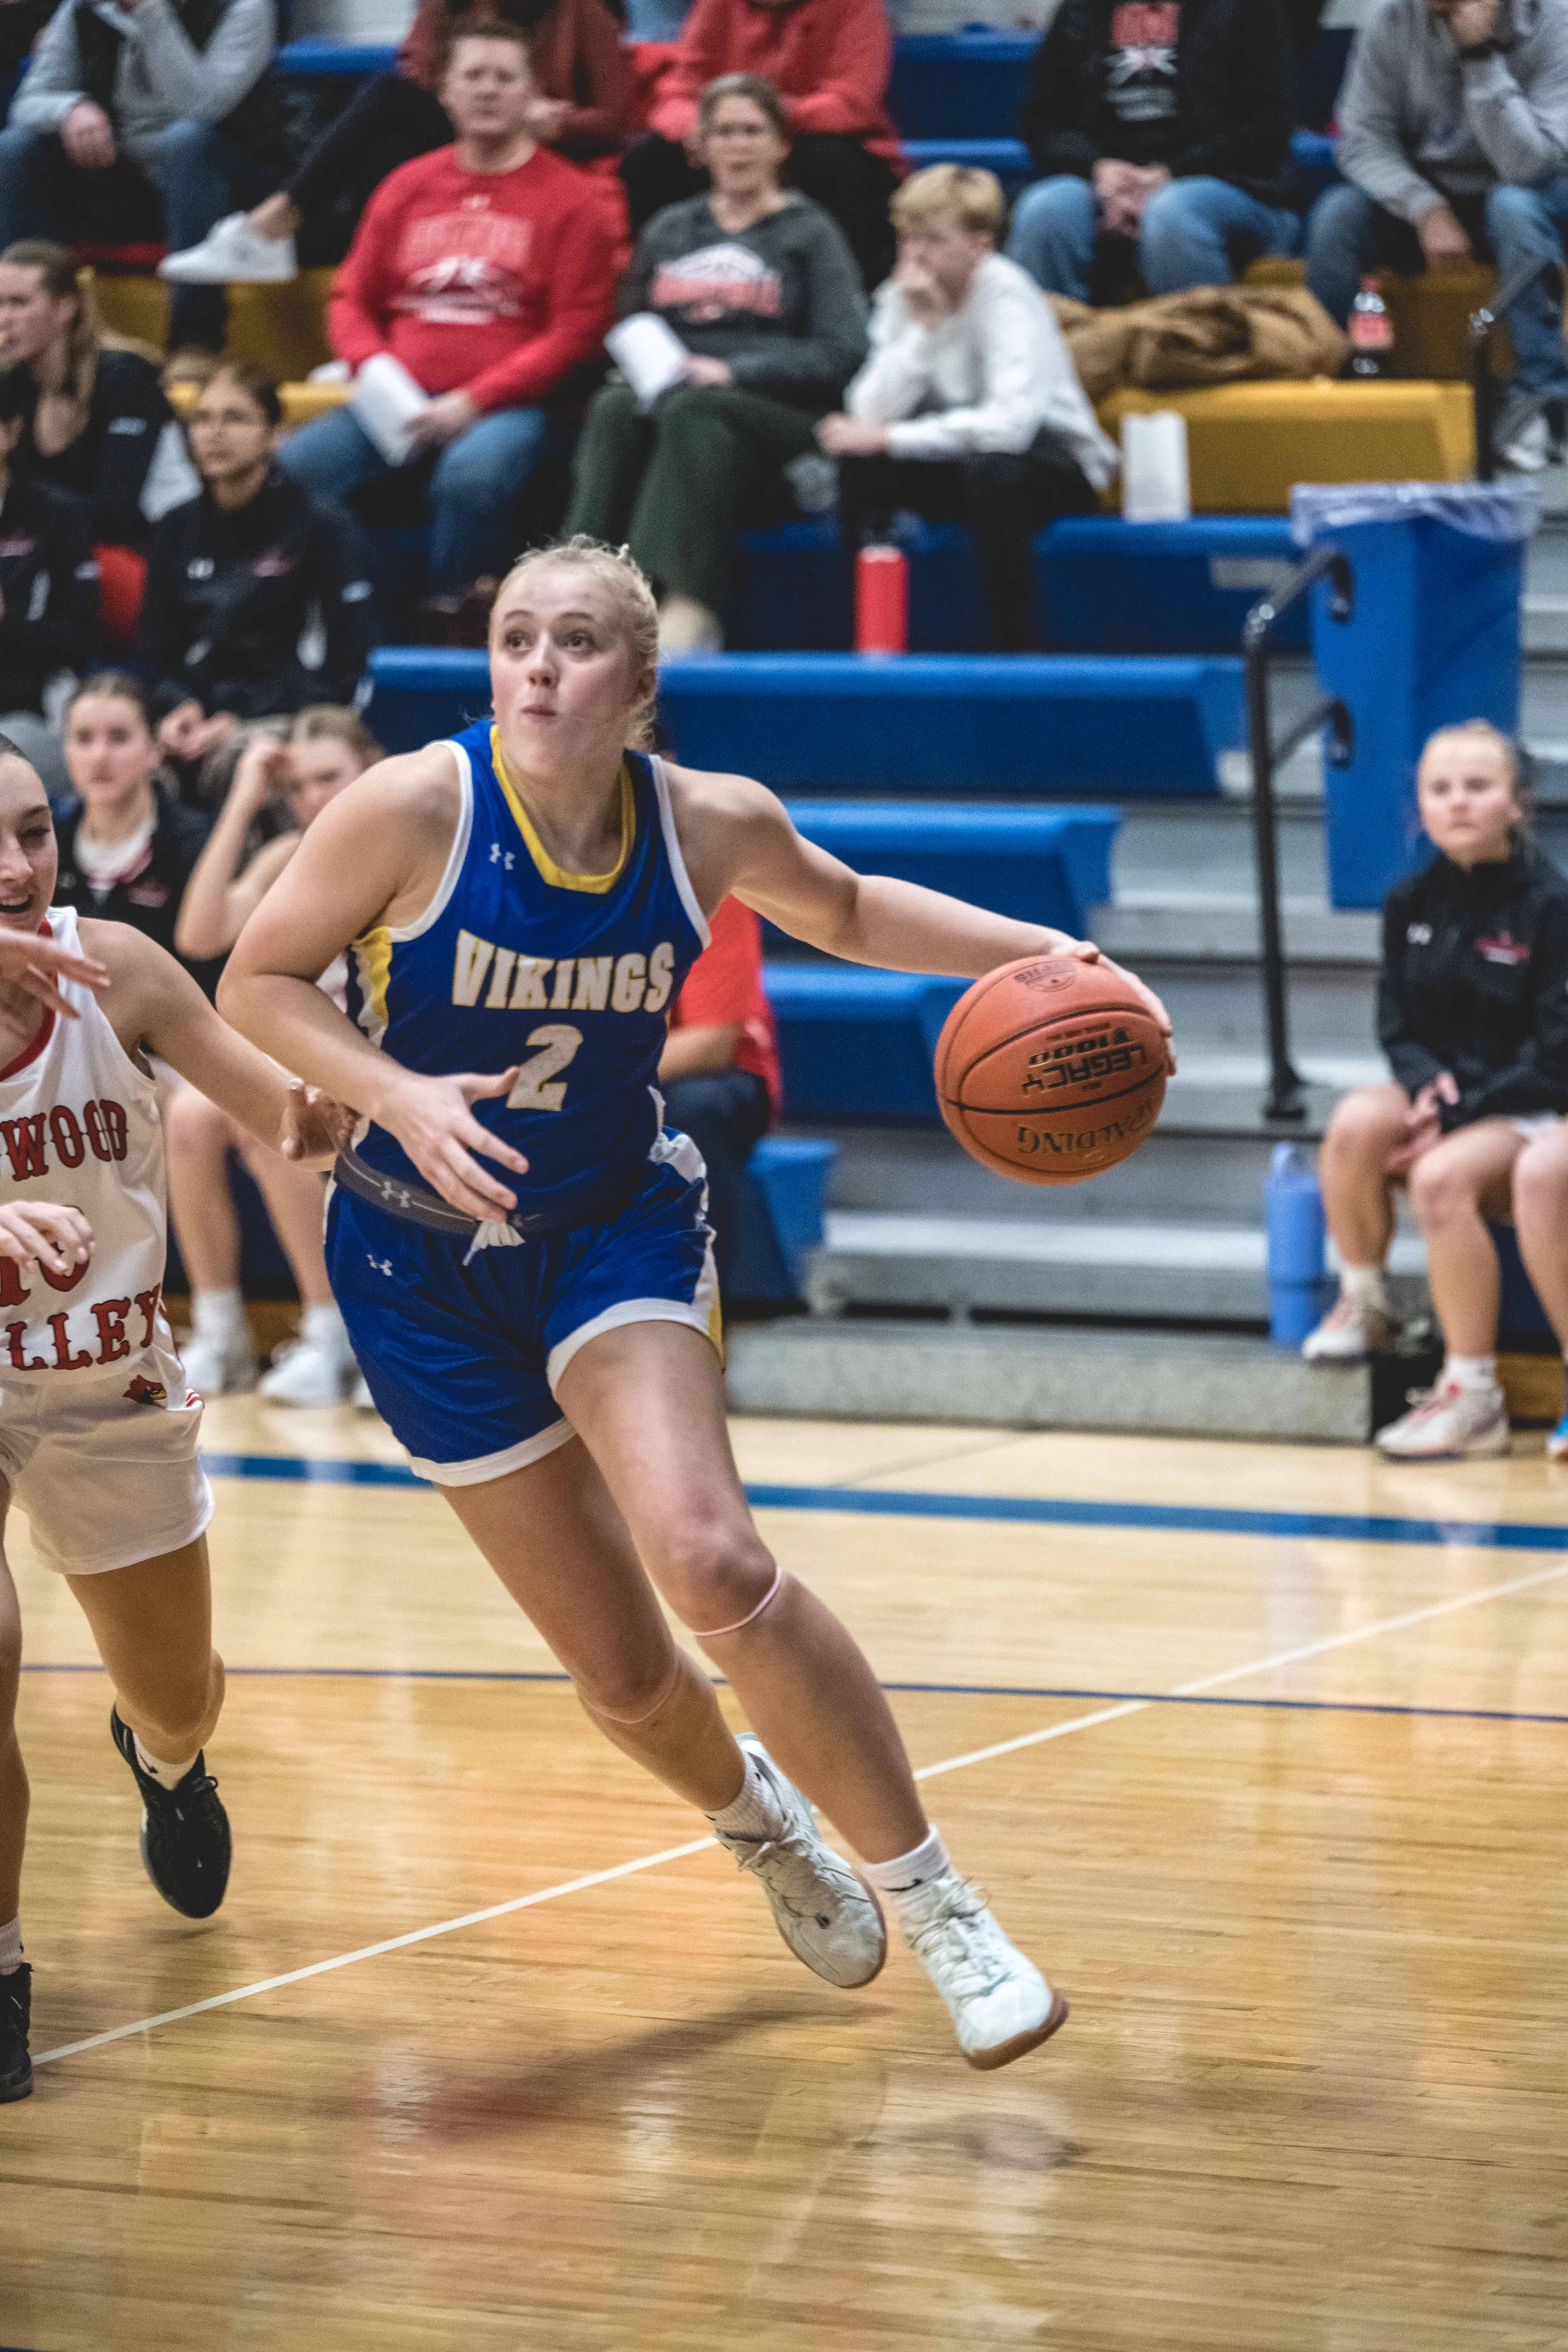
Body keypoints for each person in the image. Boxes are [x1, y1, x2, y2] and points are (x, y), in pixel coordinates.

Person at [220, 534, 1173, 2069]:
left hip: (612, 1228)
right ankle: (754, 1814)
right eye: (517, 636)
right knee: (619, 1666)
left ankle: (940, 1904)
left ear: (641, 685)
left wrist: (1065, 959)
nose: (538, 665)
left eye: (578, 641)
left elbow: (852, 910)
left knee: (709, 1555)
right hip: (413, 1265)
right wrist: (394, 1091)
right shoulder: (409, 805)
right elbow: (253, 980)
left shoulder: (708, 825)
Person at [0, 735, 349, 2102]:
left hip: (106, 1386)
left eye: (36, 832)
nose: (17, 866)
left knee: (176, 1692)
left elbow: (279, 1115)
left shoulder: (124, 968)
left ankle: (166, 1758)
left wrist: (380, 1101)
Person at [277, 24, 620, 625]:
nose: (488, 91)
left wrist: (472, 401)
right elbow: (351, 297)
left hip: (510, 404)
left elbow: (578, 330)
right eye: (474, 77)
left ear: (533, 93)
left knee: (471, 478)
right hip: (397, 397)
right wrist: (374, 367)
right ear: (446, 92)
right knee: (291, 472)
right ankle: (369, 603)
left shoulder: (573, 198)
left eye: (505, 77)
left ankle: (453, 613)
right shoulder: (408, 185)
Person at [1301, 721, 1568, 1461]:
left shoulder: (1551, 906)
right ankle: (1369, 1303)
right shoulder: (1410, 900)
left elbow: (1558, 1052)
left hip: (1530, 1102)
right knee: (1357, 1120)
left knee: (1440, 1176)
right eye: (1439, 790)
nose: (1457, 803)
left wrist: (1454, 1112)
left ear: (1515, 802)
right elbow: (1396, 1024)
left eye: (1477, 788)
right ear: (1418, 807)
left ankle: (1471, 1393)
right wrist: (1424, 1086)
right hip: (1450, 1098)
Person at [564, 72, 867, 652]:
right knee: (614, 404)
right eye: (724, 132)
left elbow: (842, 351)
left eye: (753, 131)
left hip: (781, 417)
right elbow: (629, 322)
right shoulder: (673, 228)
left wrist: (733, 371)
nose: (739, 145)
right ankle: (583, 590)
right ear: (701, 147)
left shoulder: (810, 233)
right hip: (677, 398)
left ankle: (681, 608)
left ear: (781, 144)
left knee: (698, 412)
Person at [818, 166, 1118, 654]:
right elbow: (866, 414)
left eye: (934, 240)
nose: (915, 254)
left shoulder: (1008, 293)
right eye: (908, 238)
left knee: (993, 472)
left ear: (980, 245)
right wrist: (924, 330)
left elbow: (1010, 429)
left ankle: (1014, 652)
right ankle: (863, 641)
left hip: (1052, 463)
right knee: (861, 468)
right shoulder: (904, 293)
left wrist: (894, 439)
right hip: (958, 457)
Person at [169, 707, 378, 1402]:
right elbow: (200, 935)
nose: (315, 799)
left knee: (273, 1121)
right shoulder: (287, 858)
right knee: (189, 1115)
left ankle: (334, 1335)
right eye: (301, 787)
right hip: (311, 1058)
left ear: (372, 771)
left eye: (331, 779)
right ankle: (220, 1332)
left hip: (384, 1058)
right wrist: (243, 800)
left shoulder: (407, 847)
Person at [159, 0, 632, 286]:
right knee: (386, 143)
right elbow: (418, 69)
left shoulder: (582, 11)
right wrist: (464, 91)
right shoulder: (448, 5)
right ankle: (365, 296)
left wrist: (554, 119)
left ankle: (272, 225)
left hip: (542, 145)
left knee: (387, 100)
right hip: (457, 129)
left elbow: (618, 119)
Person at [1305, 0, 1568, 467]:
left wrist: (1481, 58)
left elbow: (1531, 164)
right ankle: (1326, 386)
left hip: (1530, 190)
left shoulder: (1554, 20)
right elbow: (1363, 140)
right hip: (1430, 192)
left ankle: (1544, 401)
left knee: (1513, 208)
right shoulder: (1390, 21)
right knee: (1337, 217)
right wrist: (1423, 207)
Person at [0, 0, 285, 366]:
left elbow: (202, 106)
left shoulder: (245, 8)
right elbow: (28, 103)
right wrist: (71, 109)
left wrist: (151, 15)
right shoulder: (83, 8)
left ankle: (195, 339)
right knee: (14, 148)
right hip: (117, 171)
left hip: (221, 176)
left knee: (187, 141)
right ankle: (29, 324)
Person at [138, 365, 373, 783]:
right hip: (198, 713)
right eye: (203, 419)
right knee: (138, 768)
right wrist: (181, 706)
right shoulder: (174, 529)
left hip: (287, 714)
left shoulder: (321, 526)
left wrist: (236, 719)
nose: (215, 433)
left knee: (238, 763)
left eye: (236, 418)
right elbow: (157, 652)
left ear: (274, 435)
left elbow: (342, 668)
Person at [1006, 0, 1299, 304]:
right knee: (1045, 210)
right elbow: (1041, 123)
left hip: (1235, 186)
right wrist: (1098, 168)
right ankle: (1050, 348)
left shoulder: (1250, 8)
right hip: (1104, 181)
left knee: (1172, 212)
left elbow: (1268, 126)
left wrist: (1168, 174)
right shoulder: (1082, 9)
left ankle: (1202, 347)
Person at [622, 0, 903, 291]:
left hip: (814, 140)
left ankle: (851, 298)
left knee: (830, 161)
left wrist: (764, 120)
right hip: (729, 131)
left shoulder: (857, 6)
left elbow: (851, 103)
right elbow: (678, 93)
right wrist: (700, 126)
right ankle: (650, 293)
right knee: (651, 156)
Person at [0, 242, 196, 562]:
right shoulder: (13, 384)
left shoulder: (126, 378)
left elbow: (116, 510)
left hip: (146, 551)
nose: (4, 319)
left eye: (18, 303)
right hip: (56, 552)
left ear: (65, 309)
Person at [51, 671, 214, 983]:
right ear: (66, 751)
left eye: (119, 737)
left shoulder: (195, 841)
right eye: (84, 739)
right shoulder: (47, 843)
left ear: (154, 749)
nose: (99, 756)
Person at [660, 891, 780, 1296]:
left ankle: (699, 1306)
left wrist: (588, 1077)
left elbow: (710, 1043)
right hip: (598, 1070)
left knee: (691, 1111)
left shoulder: (701, 876)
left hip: (717, 1073)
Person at [0, 362, 100, 800]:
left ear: (9, 431)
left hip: (29, 706)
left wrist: (7, 622)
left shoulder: (57, 515)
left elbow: (79, 637)